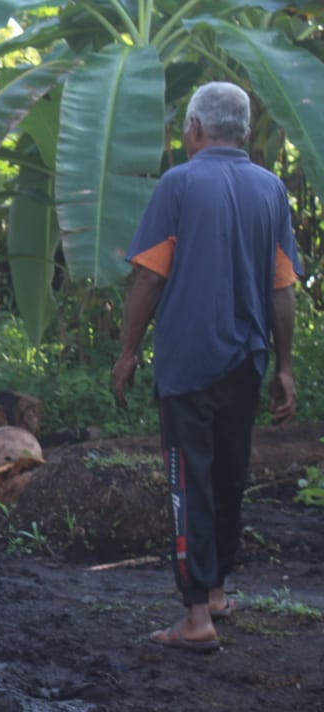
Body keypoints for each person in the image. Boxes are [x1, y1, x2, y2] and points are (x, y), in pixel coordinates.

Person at [111, 81, 301, 653]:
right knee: (228, 474)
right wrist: (286, 366)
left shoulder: (179, 184)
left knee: (187, 480)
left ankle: (196, 617)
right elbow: (282, 288)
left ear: (194, 129)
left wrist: (127, 352)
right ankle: (216, 590)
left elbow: (149, 277)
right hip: (247, 358)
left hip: (189, 360)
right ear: (241, 131)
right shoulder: (270, 189)